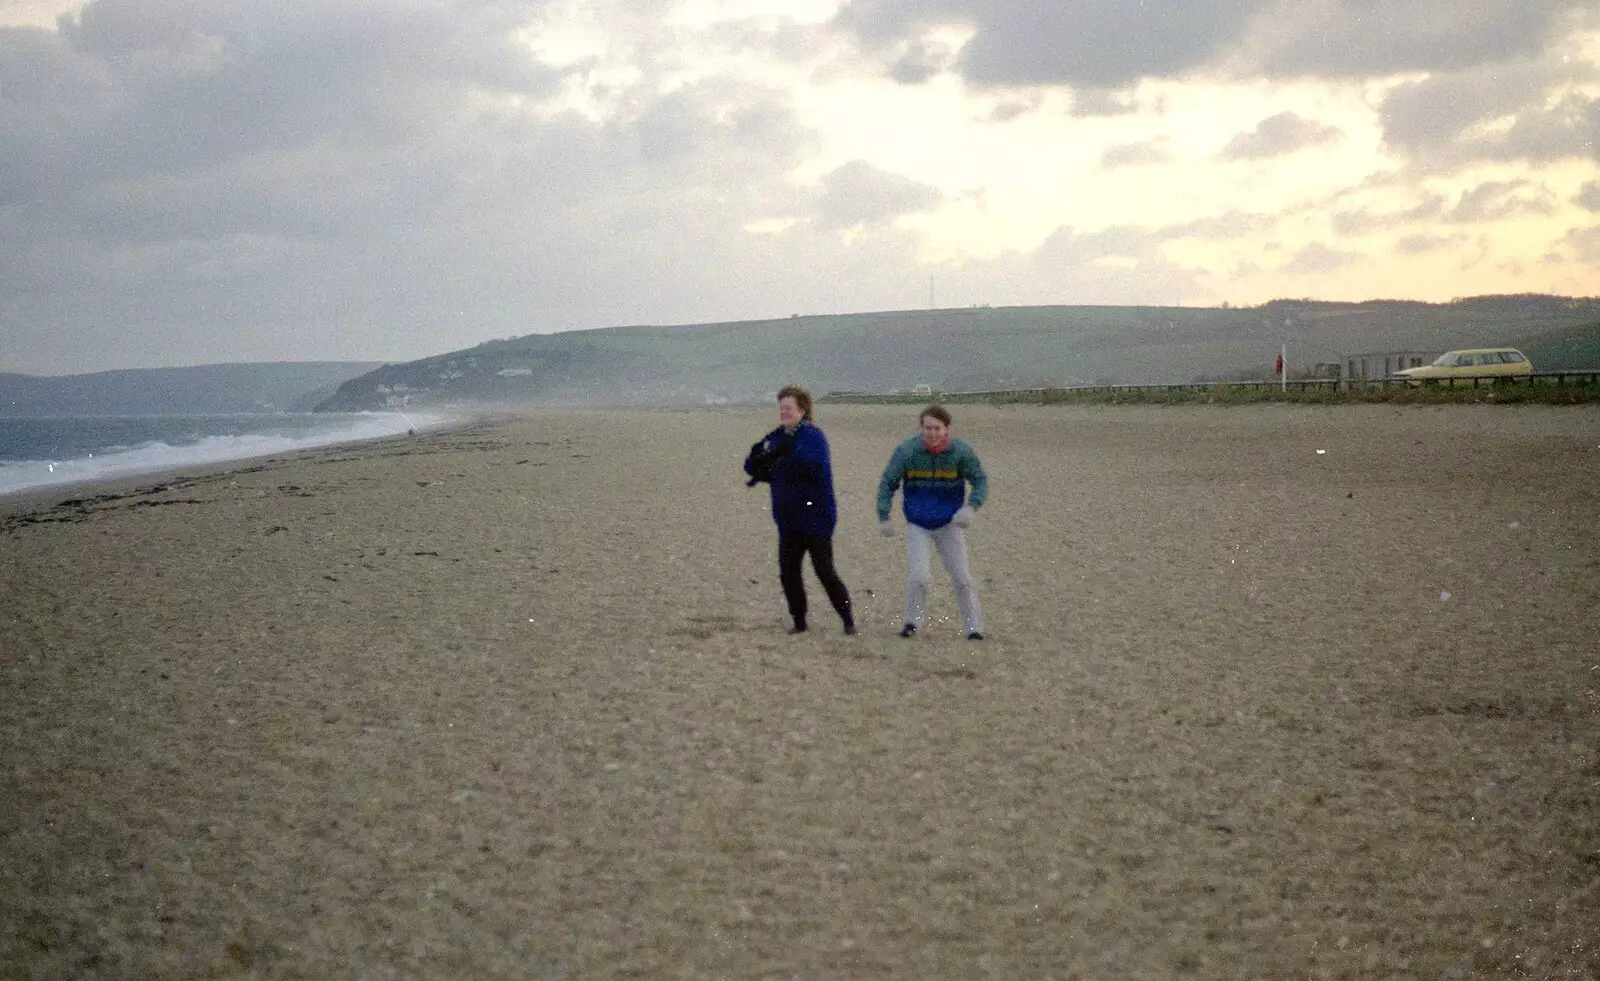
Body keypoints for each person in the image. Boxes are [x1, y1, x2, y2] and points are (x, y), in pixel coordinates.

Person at [744, 385, 855, 635]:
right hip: (788, 519)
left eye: (789, 408)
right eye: (781, 408)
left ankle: (847, 619)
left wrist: (777, 461)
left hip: (816, 517)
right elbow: (752, 464)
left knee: (824, 570)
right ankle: (799, 622)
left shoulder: (813, 436)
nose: (784, 412)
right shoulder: (775, 437)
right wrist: (760, 461)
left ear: (802, 410)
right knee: (788, 572)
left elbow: (807, 465)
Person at [876, 404, 988, 640]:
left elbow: (980, 481)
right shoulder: (907, 451)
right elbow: (888, 483)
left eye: (937, 428)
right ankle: (911, 622)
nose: (932, 433)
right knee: (919, 577)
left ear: (946, 429)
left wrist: (971, 507)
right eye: (928, 428)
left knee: (962, 577)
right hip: (918, 524)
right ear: (922, 428)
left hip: (950, 523)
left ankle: (974, 627)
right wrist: (884, 516)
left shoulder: (961, 452)